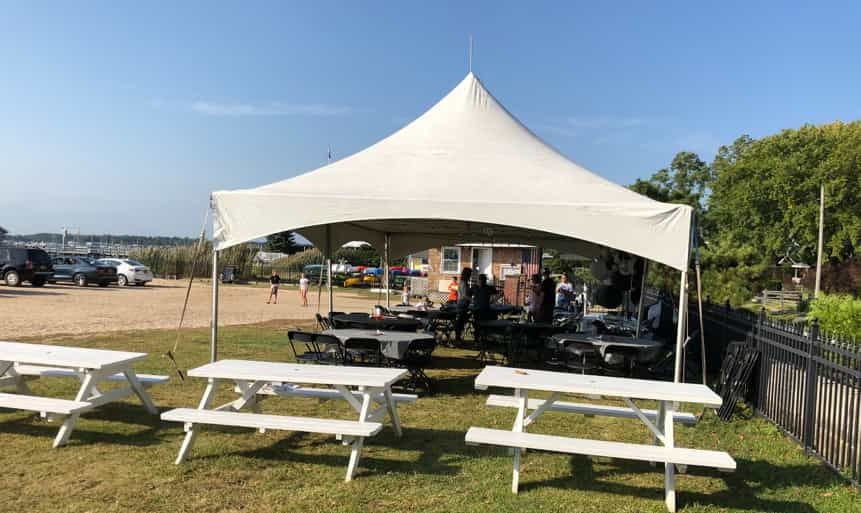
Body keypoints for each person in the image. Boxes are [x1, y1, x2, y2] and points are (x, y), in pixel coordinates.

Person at [454, 267, 473, 342]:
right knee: (460, 321)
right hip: (462, 304)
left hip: (463, 303)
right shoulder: (463, 283)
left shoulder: (464, 282)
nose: (470, 276)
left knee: (462, 321)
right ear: (467, 274)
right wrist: (473, 300)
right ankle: (458, 337)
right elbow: (464, 295)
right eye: (470, 274)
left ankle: (458, 336)